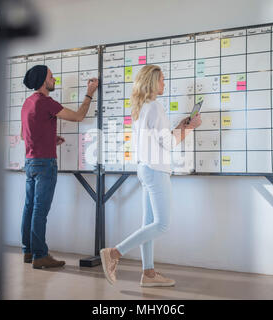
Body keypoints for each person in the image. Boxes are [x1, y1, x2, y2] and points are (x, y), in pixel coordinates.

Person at [100, 65, 201, 286]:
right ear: (152, 82)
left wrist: (179, 126)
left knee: (148, 224)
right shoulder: (155, 107)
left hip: (145, 169)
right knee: (162, 224)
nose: (164, 83)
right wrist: (190, 127)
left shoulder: (141, 107)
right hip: (156, 170)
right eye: (162, 79)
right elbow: (168, 143)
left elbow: (160, 138)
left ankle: (149, 273)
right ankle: (114, 253)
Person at [21, 65, 98, 269]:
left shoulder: (28, 103)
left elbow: (25, 135)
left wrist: (50, 139)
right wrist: (89, 94)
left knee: (29, 208)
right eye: (51, 77)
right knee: (40, 210)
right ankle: (40, 256)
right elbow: (79, 116)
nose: (54, 80)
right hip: (45, 163)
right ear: (42, 81)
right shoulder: (47, 102)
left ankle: (28, 251)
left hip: (30, 162)